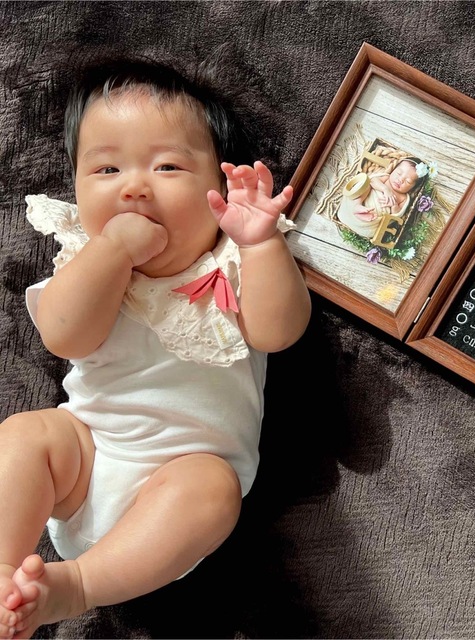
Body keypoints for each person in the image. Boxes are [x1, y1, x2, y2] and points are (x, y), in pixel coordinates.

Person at [0, 60, 311, 639]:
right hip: (86, 462)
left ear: (218, 189)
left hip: (175, 498)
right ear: (75, 187)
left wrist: (264, 245)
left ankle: (76, 586)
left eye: (167, 165)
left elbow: (278, 331)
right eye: (106, 168)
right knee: (25, 433)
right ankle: (2, 570)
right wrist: (112, 249)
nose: (134, 186)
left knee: (213, 488)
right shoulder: (85, 261)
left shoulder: (231, 264)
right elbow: (64, 335)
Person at [337, 156, 429, 240]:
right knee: (366, 186)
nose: (400, 180)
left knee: (380, 221)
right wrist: (385, 189)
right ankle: (357, 205)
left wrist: (394, 205)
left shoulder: (404, 198)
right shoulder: (386, 178)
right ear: (393, 170)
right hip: (366, 199)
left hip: (376, 215)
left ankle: (363, 216)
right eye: (399, 173)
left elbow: (398, 214)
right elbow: (373, 181)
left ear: (413, 187)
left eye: (408, 181)